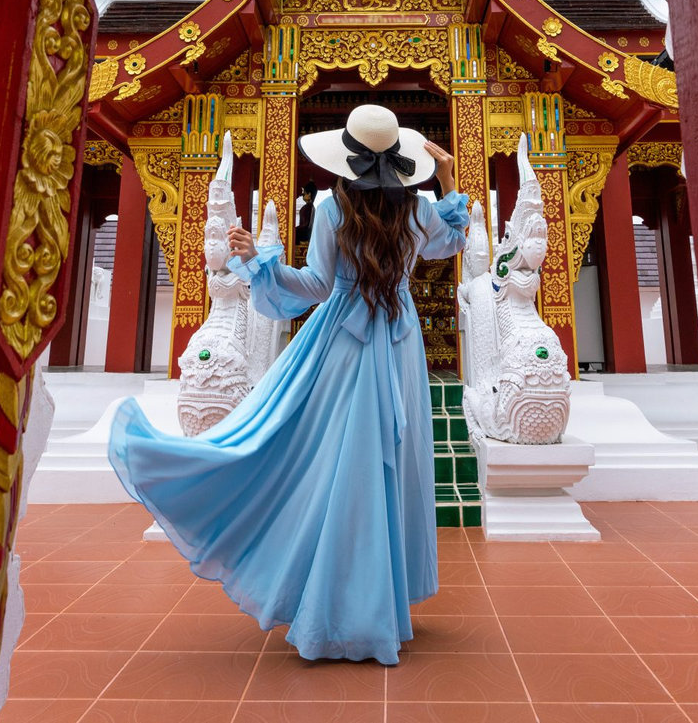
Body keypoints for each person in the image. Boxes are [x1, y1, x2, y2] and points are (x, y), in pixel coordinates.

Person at [107, 103, 469, 664]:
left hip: (341, 344)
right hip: (399, 345)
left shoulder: (332, 207)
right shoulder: (419, 209)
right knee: (384, 464)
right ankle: (373, 607)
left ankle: (336, 603)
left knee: (322, 459)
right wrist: (446, 178)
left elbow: (318, 286)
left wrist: (262, 263)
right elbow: (453, 241)